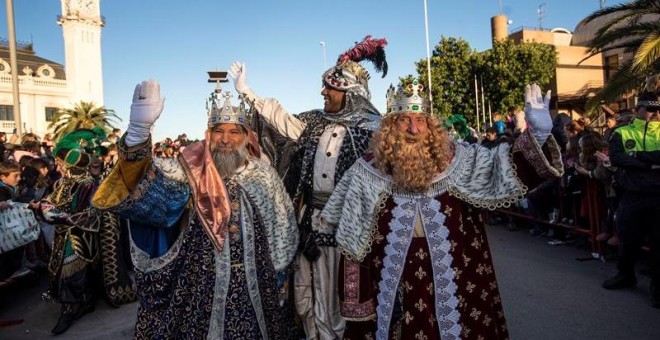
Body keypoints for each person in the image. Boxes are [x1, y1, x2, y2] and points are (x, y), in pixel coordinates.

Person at [319, 79, 563, 339]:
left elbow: (500, 167)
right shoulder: (365, 172)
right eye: (403, 120)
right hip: (393, 287)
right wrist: (357, 303)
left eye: (421, 121)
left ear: (431, 127)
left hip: (458, 279)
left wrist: (537, 135)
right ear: (390, 128)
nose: (413, 128)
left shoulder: (461, 160)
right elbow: (352, 243)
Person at [91, 80, 299, 339]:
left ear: (246, 137)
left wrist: (279, 274)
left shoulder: (263, 174)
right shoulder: (191, 170)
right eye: (218, 131)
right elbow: (145, 186)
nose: (225, 139)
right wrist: (138, 134)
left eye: (234, 132)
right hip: (201, 285)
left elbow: (281, 227)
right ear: (208, 135)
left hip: (257, 284)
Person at [230, 35, 388, 339]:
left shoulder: (373, 130)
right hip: (309, 222)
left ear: (349, 91)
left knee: (337, 295)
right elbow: (280, 120)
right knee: (306, 292)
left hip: (349, 228)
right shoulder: (314, 122)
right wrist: (247, 92)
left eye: (329, 87)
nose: (323, 92)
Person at [39, 127, 137, 335]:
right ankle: (82, 302)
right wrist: (45, 207)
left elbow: (90, 213)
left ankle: (73, 308)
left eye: (61, 163)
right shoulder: (61, 182)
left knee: (74, 273)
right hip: (64, 235)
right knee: (67, 273)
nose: (58, 165)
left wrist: (52, 213)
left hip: (80, 237)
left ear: (69, 165)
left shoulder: (87, 185)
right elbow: (52, 202)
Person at [601, 80, 660, 309]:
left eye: (658, 110)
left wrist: (636, 157)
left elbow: (629, 159)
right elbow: (617, 158)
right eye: (650, 110)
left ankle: (657, 287)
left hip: (657, 196)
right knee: (627, 238)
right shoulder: (621, 132)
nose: (655, 114)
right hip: (632, 194)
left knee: (658, 242)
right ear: (639, 110)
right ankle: (626, 275)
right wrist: (649, 163)